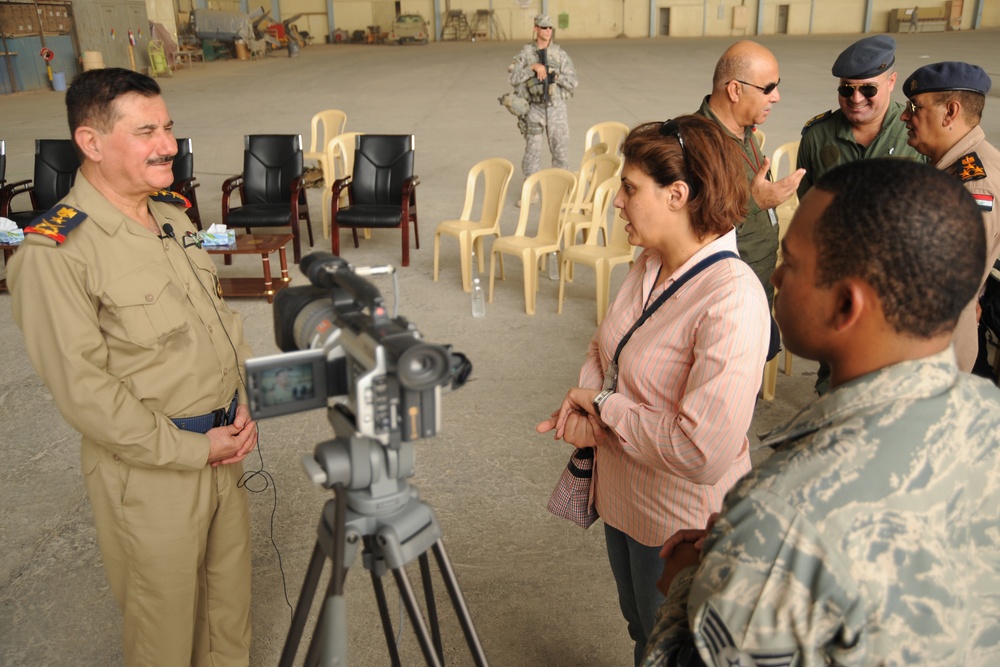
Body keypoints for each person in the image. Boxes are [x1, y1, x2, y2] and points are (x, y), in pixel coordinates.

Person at [641, 159, 1000, 666]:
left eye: (791, 260)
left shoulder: (785, 513)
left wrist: (689, 582)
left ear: (845, 306)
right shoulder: (990, 414)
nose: (778, 275)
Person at [7, 68, 257, 666]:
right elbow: (85, 393)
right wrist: (197, 450)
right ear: (91, 143)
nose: (169, 144)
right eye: (147, 130)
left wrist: (244, 398)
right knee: (164, 634)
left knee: (229, 615)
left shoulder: (174, 217)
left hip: (228, 446)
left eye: (168, 127)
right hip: (151, 474)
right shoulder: (53, 253)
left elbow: (217, 322)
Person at [536, 116, 770, 665]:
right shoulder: (649, 263)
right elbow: (606, 346)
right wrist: (588, 403)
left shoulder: (731, 297)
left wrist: (602, 406)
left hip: (675, 522)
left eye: (630, 188)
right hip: (622, 498)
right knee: (641, 627)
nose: (617, 201)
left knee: (674, 645)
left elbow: (701, 450)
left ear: (678, 195)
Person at [796, 35, 924, 393]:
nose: (855, 99)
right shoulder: (818, 136)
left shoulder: (917, 133)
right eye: (846, 90)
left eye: (867, 90)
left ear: (891, 82)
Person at [901, 61, 1000, 375]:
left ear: (950, 112)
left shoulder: (973, 184)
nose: (905, 116)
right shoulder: (951, 165)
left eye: (914, 107)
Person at [696, 40, 804, 308]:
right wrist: (755, 201)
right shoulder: (698, 145)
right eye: (768, 88)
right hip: (726, 292)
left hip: (758, 278)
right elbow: (694, 229)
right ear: (734, 90)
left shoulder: (743, 131)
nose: (777, 97)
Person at [507, 14, 578, 189]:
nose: (547, 31)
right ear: (536, 28)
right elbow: (513, 77)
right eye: (544, 27)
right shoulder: (526, 53)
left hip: (556, 108)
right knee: (532, 153)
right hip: (534, 109)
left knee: (560, 152)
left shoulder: (560, 54)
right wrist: (532, 67)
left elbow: (573, 82)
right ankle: (530, 191)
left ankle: (561, 189)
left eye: (550, 28)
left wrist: (555, 76)